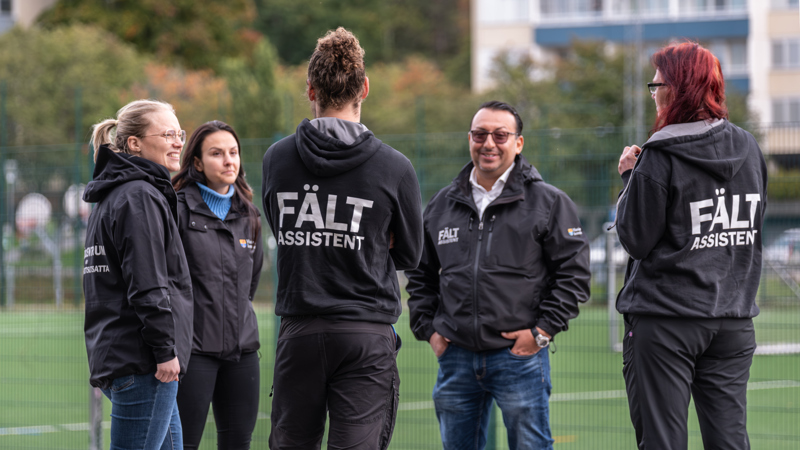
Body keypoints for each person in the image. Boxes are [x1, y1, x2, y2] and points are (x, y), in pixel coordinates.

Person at [262, 27, 423, 450]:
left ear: (310, 89)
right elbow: (409, 251)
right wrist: (369, 237)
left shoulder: (277, 159)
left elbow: (283, 229)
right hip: (365, 332)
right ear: (364, 88)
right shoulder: (395, 167)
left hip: (299, 329)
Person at [406, 100, 591, 450]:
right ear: (470, 139)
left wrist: (541, 331)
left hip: (518, 356)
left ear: (518, 143)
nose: (489, 143)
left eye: (500, 135)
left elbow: (574, 275)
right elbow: (420, 273)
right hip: (455, 356)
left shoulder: (548, 202)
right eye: (480, 134)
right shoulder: (441, 204)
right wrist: (429, 330)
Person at [615, 41, 767, 449]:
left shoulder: (660, 154)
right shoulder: (750, 148)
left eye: (657, 85)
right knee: (730, 440)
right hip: (732, 319)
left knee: (663, 441)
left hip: (667, 320)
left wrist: (630, 179)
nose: (655, 94)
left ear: (677, 89)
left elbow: (636, 239)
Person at [83, 99, 193, 450]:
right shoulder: (138, 196)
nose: (178, 142)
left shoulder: (116, 195)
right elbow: (147, 285)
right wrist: (164, 350)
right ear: (135, 144)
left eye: (180, 133)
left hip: (128, 358)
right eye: (168, 134)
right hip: (144, 363)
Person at [172, 121, 264, 450]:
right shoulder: (177, 209)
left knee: (238, 442)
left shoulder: (249, 215)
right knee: (184, 444)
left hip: (243, 351)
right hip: (193, 352)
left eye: (233, 152)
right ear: (196, 162)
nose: (229, 161)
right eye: (216, 153)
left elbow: (249, 285)